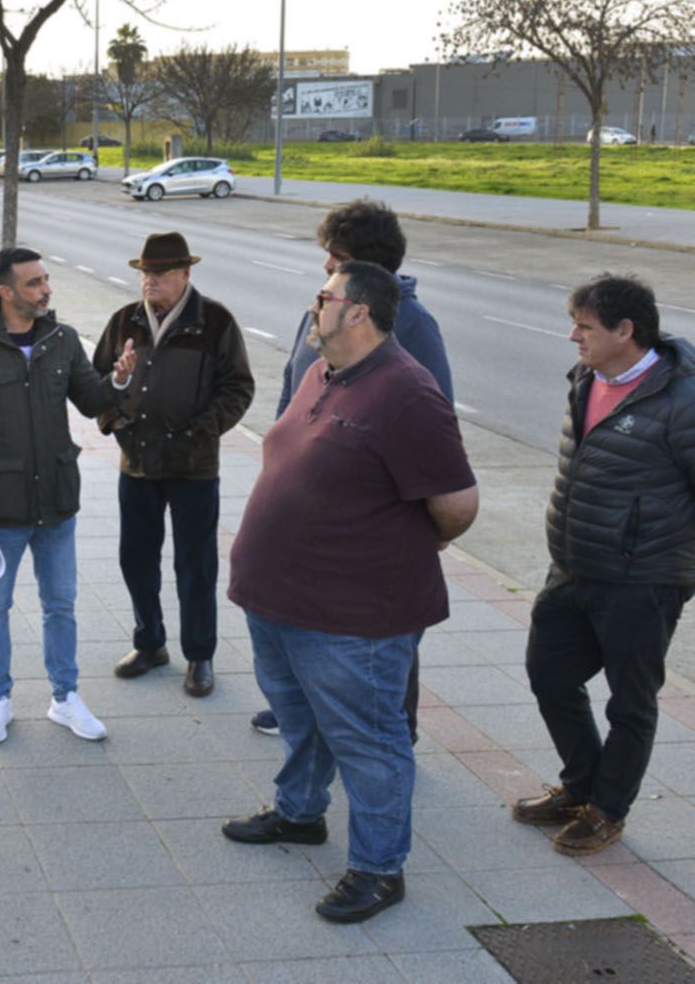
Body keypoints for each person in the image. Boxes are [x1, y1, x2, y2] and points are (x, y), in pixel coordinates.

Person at [221, 261, 478, 923]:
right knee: (303, 718)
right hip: (278, 598)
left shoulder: (407, 394)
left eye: (325, 296)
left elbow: (457, 506)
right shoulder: (321, 367)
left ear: (359, 311)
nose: (315, 304)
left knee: (369, 739)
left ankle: (378, 868)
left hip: (353, 617)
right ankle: (301, 813)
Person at [253, 199, 454, 738]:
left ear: (366, 270)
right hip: (306, 505)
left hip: (370, 516)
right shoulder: (321, 310)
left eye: (335, 256)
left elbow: (435, 428)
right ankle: (302, 702)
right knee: (302, 608)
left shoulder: (412, 324)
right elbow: (293, 389)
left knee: (385, 623)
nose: (324, 267)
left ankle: (396, 727)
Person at [512, 274, 695, 855]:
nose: (572, 337)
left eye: (585, 327)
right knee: (550, 675)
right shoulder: (588, 377)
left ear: (626, 330)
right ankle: (582, 785)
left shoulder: (683, 399)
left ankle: (608, 808)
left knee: (630, 701)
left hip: (643, 581)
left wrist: (672, 568)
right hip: (572, 567)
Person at [0, 247, 124, 743]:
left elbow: (90, 399)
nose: (45, 290)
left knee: (60, 604)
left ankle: (66, 698)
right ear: (6, 291)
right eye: (35, 282)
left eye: (46, 280)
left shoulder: (61, 340)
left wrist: (120, 379)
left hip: (56, 501)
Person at [92, 231, 254, 697]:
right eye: (145, 273)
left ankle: (199, 656)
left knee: (195, 565)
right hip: (138, 463)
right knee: (136, 560)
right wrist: (116, 413)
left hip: (193, 467)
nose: (149, 281)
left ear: (185, 274)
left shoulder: (216, 322)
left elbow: (238, 388)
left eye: (160, 273)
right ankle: (150, 643)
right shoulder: (124, 320)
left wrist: (201, 432)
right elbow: (96, 379)